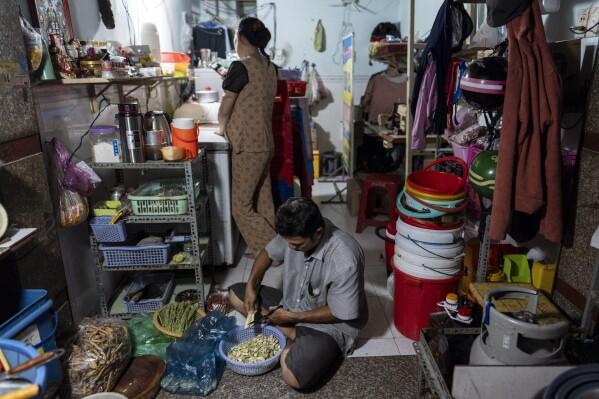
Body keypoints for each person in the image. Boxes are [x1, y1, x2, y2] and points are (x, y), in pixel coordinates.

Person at [229, 198, 368, 390]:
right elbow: (267, 254)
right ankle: (289, 330)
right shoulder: (294, 232)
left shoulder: (345, 257)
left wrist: (293, 317)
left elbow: (343, 313)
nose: (290, 248)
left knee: (293, 375)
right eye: (288, 243)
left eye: (296, 245)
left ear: (317, 232)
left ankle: (290, 330)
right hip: (292, 305)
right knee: (236, 296)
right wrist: (252, 286)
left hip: (331, 324)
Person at [218, 17, 278, 256]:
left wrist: (221, 127)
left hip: (247, 145)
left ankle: (273, 250)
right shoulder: (270, 66)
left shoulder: (240, 66)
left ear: (240, 39)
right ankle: (265, 247)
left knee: (240, 207)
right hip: (265, 141)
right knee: (263, 198)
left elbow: (227, 103)